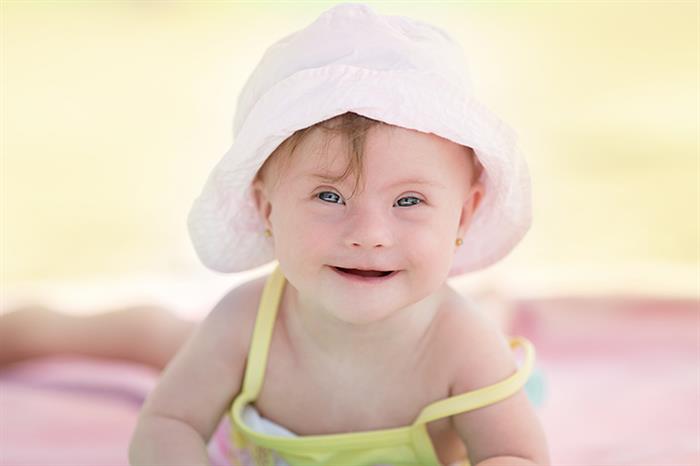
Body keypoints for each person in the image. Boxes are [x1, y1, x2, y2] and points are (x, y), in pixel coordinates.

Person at [11, 4, 551, 465]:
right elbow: (169, 419)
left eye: (408, 201)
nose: (368, 234)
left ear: (463, 214)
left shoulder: (462, 346)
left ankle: (493, 300)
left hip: (466, 345)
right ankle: (27, 328)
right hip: (278, 338)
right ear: (266, 208)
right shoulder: (246, 325)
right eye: (329, 196)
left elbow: (517, 454)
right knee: (155, 337)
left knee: (490, 333)